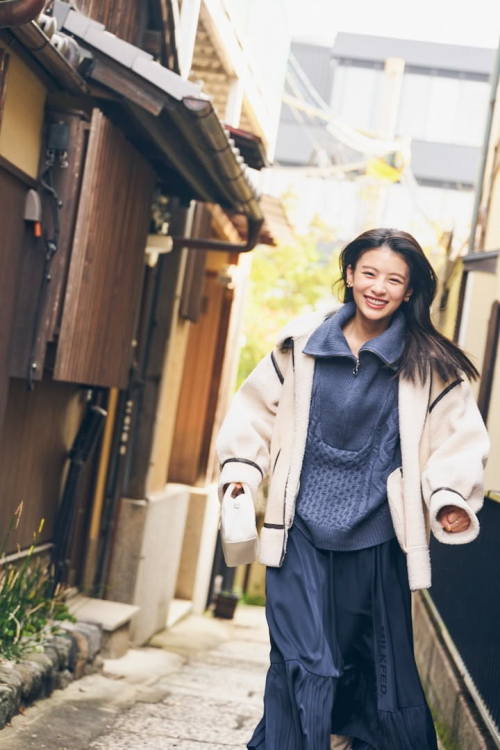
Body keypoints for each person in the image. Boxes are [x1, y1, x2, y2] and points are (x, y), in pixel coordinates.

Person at [216, 228, 490, 750]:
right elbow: (252, 413)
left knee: (362, 665)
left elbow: (458, 438)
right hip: (296, 534)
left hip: (375, 543)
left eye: (394, 279)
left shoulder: (428, 366)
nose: (379, 287)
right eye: (369, 273)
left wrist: (449, 497)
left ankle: (329, 738)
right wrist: (241, 473)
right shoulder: (301, 346)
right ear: (349, 275)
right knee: (302, 660)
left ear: (409, 292)